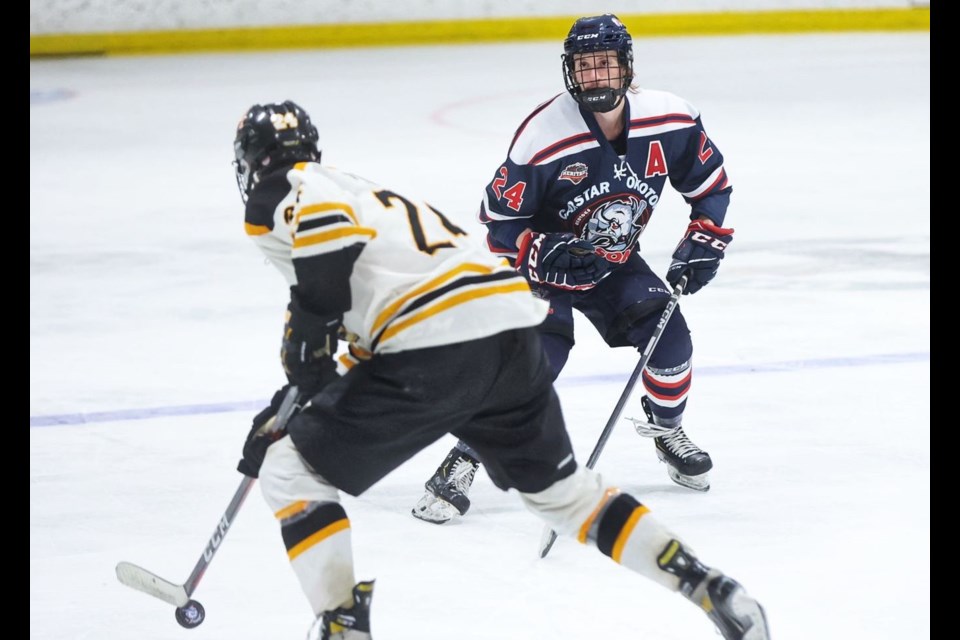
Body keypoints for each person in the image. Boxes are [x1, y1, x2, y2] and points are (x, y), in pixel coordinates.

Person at [232, 99, 769, 640]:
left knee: (289, 471)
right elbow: (368, 323)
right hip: (509, 330)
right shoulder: (366, 194)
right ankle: (705, 584)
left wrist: (305, 352)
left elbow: (329, 252)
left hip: (434, 339)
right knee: (564, 496)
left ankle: (342, 627)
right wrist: (296, 397)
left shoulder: (284, 190)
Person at [413, 13, 735, 525]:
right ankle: (464, 458)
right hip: (543, 274)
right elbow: (498, 222)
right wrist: (539, 249)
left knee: (671, 343)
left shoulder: (670, 119)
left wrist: (706, 239)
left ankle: (666, 428)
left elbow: (711, 186)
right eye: (584, 67)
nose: (595, 77)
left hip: (613, 262)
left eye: (605, 64)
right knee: (534, 366)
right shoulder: (543, 136)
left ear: (627, 68)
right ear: (571, 72)